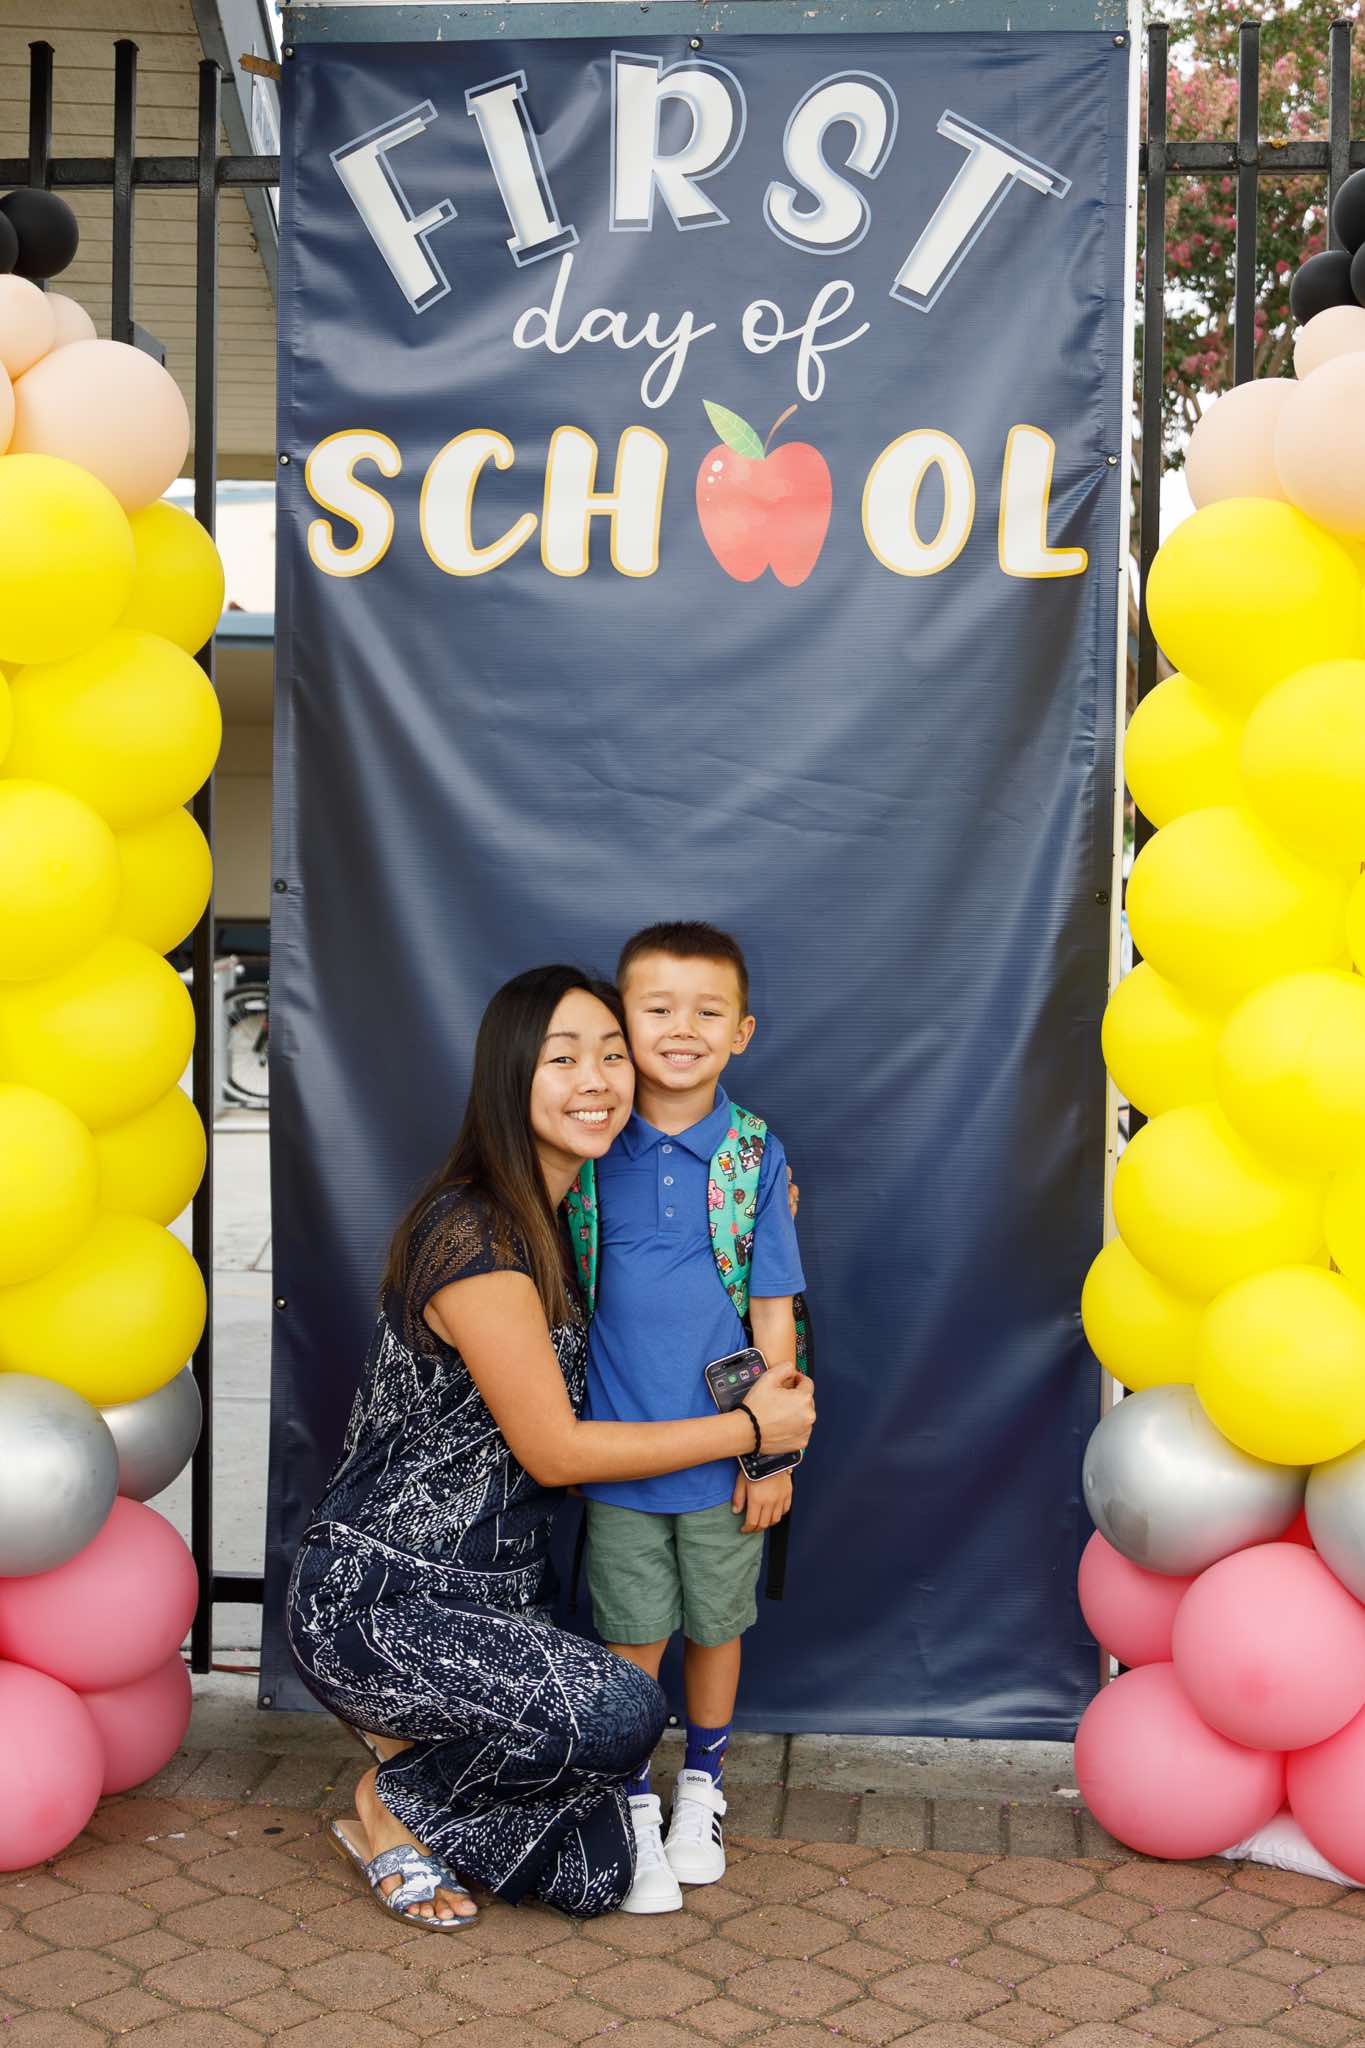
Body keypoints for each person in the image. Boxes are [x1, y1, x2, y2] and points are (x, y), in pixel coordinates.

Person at [285, 964, 815, 1930]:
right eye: (562, 1059)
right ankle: (389, 1799)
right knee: (620, 1712)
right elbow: (556, 1453)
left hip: (498, 1606)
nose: (596, 1081)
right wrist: (753, 1432)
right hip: (384, 1599)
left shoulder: (576, 1223)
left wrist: (755, 1211)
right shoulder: (474, 1233)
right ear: (509, 1077)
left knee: (594, 1873)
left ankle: (421, 1754)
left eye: (612, 1055)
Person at [579, 922, 805, 1913]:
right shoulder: (586, 1143)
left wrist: (771, 1457)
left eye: (708, 1011)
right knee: (631, 1636)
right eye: (658, 1008)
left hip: (729, 1459)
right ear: (621, 1026)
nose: (683, 1028)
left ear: (742, 1031)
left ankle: (701, 1786)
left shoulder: (754, 1154)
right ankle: (631, 1794)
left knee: (717, 1624)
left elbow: (774, 1314)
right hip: (616, 1458)